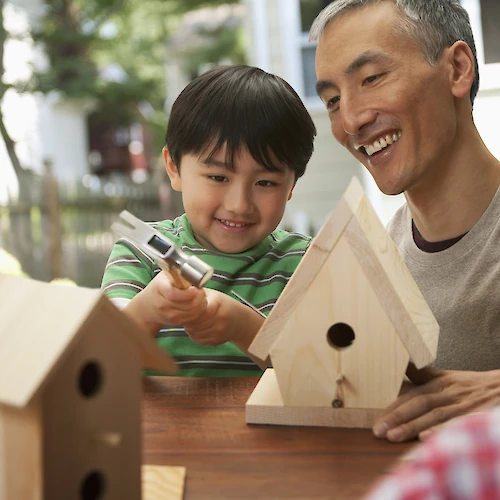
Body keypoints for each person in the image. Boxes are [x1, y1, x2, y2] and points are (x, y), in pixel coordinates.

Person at [310, 0, 500, 442]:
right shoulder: (374, 261)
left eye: (372, 79)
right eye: (333, 101)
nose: (351, 120)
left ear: (457, 68)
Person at [101, 65, 316, 377]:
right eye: (218, 176)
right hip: (157, 426)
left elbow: (317, 372)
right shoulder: (140, 251)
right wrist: (150, 308)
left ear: (292, 185)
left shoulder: (304, 263)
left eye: (266, 183)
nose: (239, 204)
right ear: (173, 168)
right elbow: (103, 352)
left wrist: (242, 326)